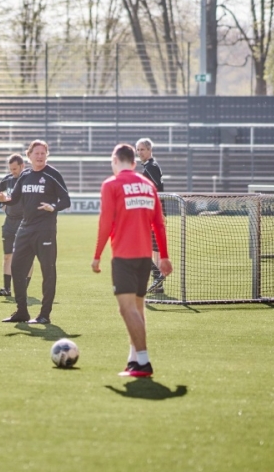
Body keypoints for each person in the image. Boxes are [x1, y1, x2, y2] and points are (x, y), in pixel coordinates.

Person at [92, 143, 172, 377]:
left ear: (115, 161)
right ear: (134, 163)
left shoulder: (111, 184)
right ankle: (134, 360)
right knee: (138, 308)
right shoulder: (148, 185)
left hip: (124, 257)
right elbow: (158, 223)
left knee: (127, 310)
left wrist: (97, 256)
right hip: (145, 256)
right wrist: (164, 257)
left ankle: (144, 362)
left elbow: (106, 222)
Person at [0, 140, 71, 324]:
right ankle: (22, 312)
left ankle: (44, 314)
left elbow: (66, 200)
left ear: (47, 155)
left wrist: (53, 206)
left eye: (43, 153)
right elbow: (16, 199)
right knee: (16, 268)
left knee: (48, 271)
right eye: (36, 153)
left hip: (45, 230)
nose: (40, 156)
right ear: (29, 156)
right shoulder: (25, 175)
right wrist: (6, 199)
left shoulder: (53, 175)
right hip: (25, 228)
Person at [0, 154, 33, 297]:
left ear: (22, 166)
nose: (13, 171)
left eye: (15, 168)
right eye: (11, 169)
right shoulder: (8, 180)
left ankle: (23, 290)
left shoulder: (29, 180)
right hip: (9, 222)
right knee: (7, 256)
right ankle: (6, 288)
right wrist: (2, 205)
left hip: (25, 222)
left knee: (27, 257)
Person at [135, 137, 165, 294]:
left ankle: (158, 277)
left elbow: (157, 189)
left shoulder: (151, 167)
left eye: (142, 149)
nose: (139, 152)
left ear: (149, 150)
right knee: (153, 248)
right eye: (138, 149)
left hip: (152, 213)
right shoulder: (148, 166)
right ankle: (158, 284)